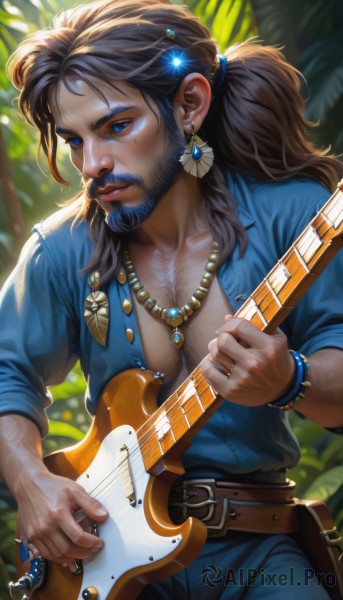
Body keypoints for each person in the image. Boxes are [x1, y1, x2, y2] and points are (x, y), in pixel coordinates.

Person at [1, 0, 343, 598]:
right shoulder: (60, 252)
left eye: (115, 126)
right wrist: (32, 482)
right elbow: (6, 368)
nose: (93, 164)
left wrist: (288, 380)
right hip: (107, 558)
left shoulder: (296, 216)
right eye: (73, 140)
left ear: (189, 104)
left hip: (260, 556)